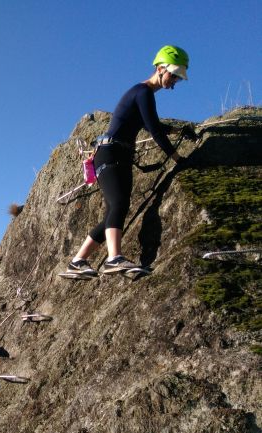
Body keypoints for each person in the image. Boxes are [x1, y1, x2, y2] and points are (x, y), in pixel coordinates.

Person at [67, 45, 190, 277]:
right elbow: (154, 129)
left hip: (115, 154)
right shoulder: (142, 92)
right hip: (111, 153)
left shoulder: (142, 95)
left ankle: (77, 262)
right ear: (160, 68)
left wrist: (179, 130)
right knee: (119, 205)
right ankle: (114, 259)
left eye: (178, 78)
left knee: (115, 210)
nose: (174, 81)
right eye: (173, 74)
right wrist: (176, 157)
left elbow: (149, 124)